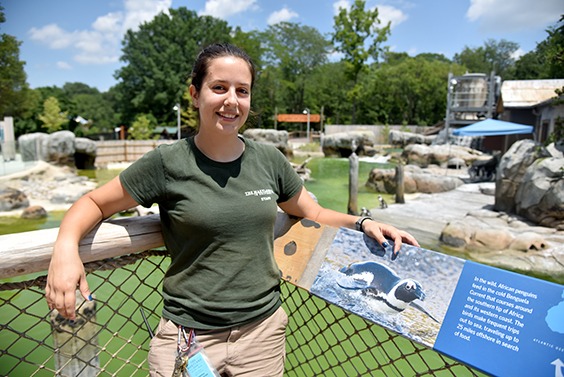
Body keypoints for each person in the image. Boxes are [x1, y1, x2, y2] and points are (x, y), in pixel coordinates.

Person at [45, 43, 419, 377]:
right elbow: (93, 202)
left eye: (242, 91)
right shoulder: (167, 163)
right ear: (195, 94)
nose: (231, 101)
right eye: (219, 88)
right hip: (188, 335)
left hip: (262, 333)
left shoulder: (269, 160)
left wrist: (365, 222)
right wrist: (65, 250)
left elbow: (311, 212)